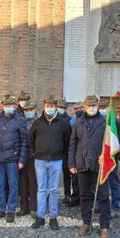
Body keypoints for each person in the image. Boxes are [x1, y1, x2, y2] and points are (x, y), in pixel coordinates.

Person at [68, 95, 110, 238]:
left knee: (103, 196)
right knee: (84, 195)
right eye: (89, 106)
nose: (91, 108)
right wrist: (71, 164)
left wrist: (107, 157)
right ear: (84, 107)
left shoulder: (105, 123)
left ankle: (104, 226)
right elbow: (73, 144)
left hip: (100, 165)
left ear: (98, 107)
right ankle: (86, 222)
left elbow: (112, 146)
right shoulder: (78, 123)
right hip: (82, 163)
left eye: (94, 105)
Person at [29, 95, 70, 230]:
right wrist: (37, 152)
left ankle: (53, 217)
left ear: (56, 107)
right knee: (41, 189)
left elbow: (67, 142)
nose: (49, 108)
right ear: (44, 106)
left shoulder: (63, 123)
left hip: (56, 161)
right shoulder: (37, 123)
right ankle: (40, 217)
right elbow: (31, 140)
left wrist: (60, 154)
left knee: (53, 190)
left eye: (52, 106)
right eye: (47, 106)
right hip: (40, 161)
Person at [0, 94, 28, 223]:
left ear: (15, 106)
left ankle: (11, 211)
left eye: (10, 105)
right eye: (6, 105)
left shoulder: (20, 120)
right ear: (3, 106)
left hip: (13, 159)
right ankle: (0, 209)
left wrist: (21, 160)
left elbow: (24, 141)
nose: (8, 107)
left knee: (13, 185)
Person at [96, 98, 120, 218]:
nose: (102, 110)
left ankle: (116, 206)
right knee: (99, 181)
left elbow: (119, 141)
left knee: (113, 182)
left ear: (109, 109)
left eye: (104, 108)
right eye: (100, 108)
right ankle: (98, 203)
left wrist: (114, 155)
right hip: (99, 157)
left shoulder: (116, 122)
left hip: (111, 157)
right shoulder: (96, 120)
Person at [17, 101, 38, 217]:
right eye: (26, 110)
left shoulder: (39, 122)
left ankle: (34, 208)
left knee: (33, 183)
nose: (28, 112)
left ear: (34, 110)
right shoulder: (20, 123)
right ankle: (24, 207)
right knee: (22, 183)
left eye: (30, 110)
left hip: (34, 157)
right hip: (21, 156)